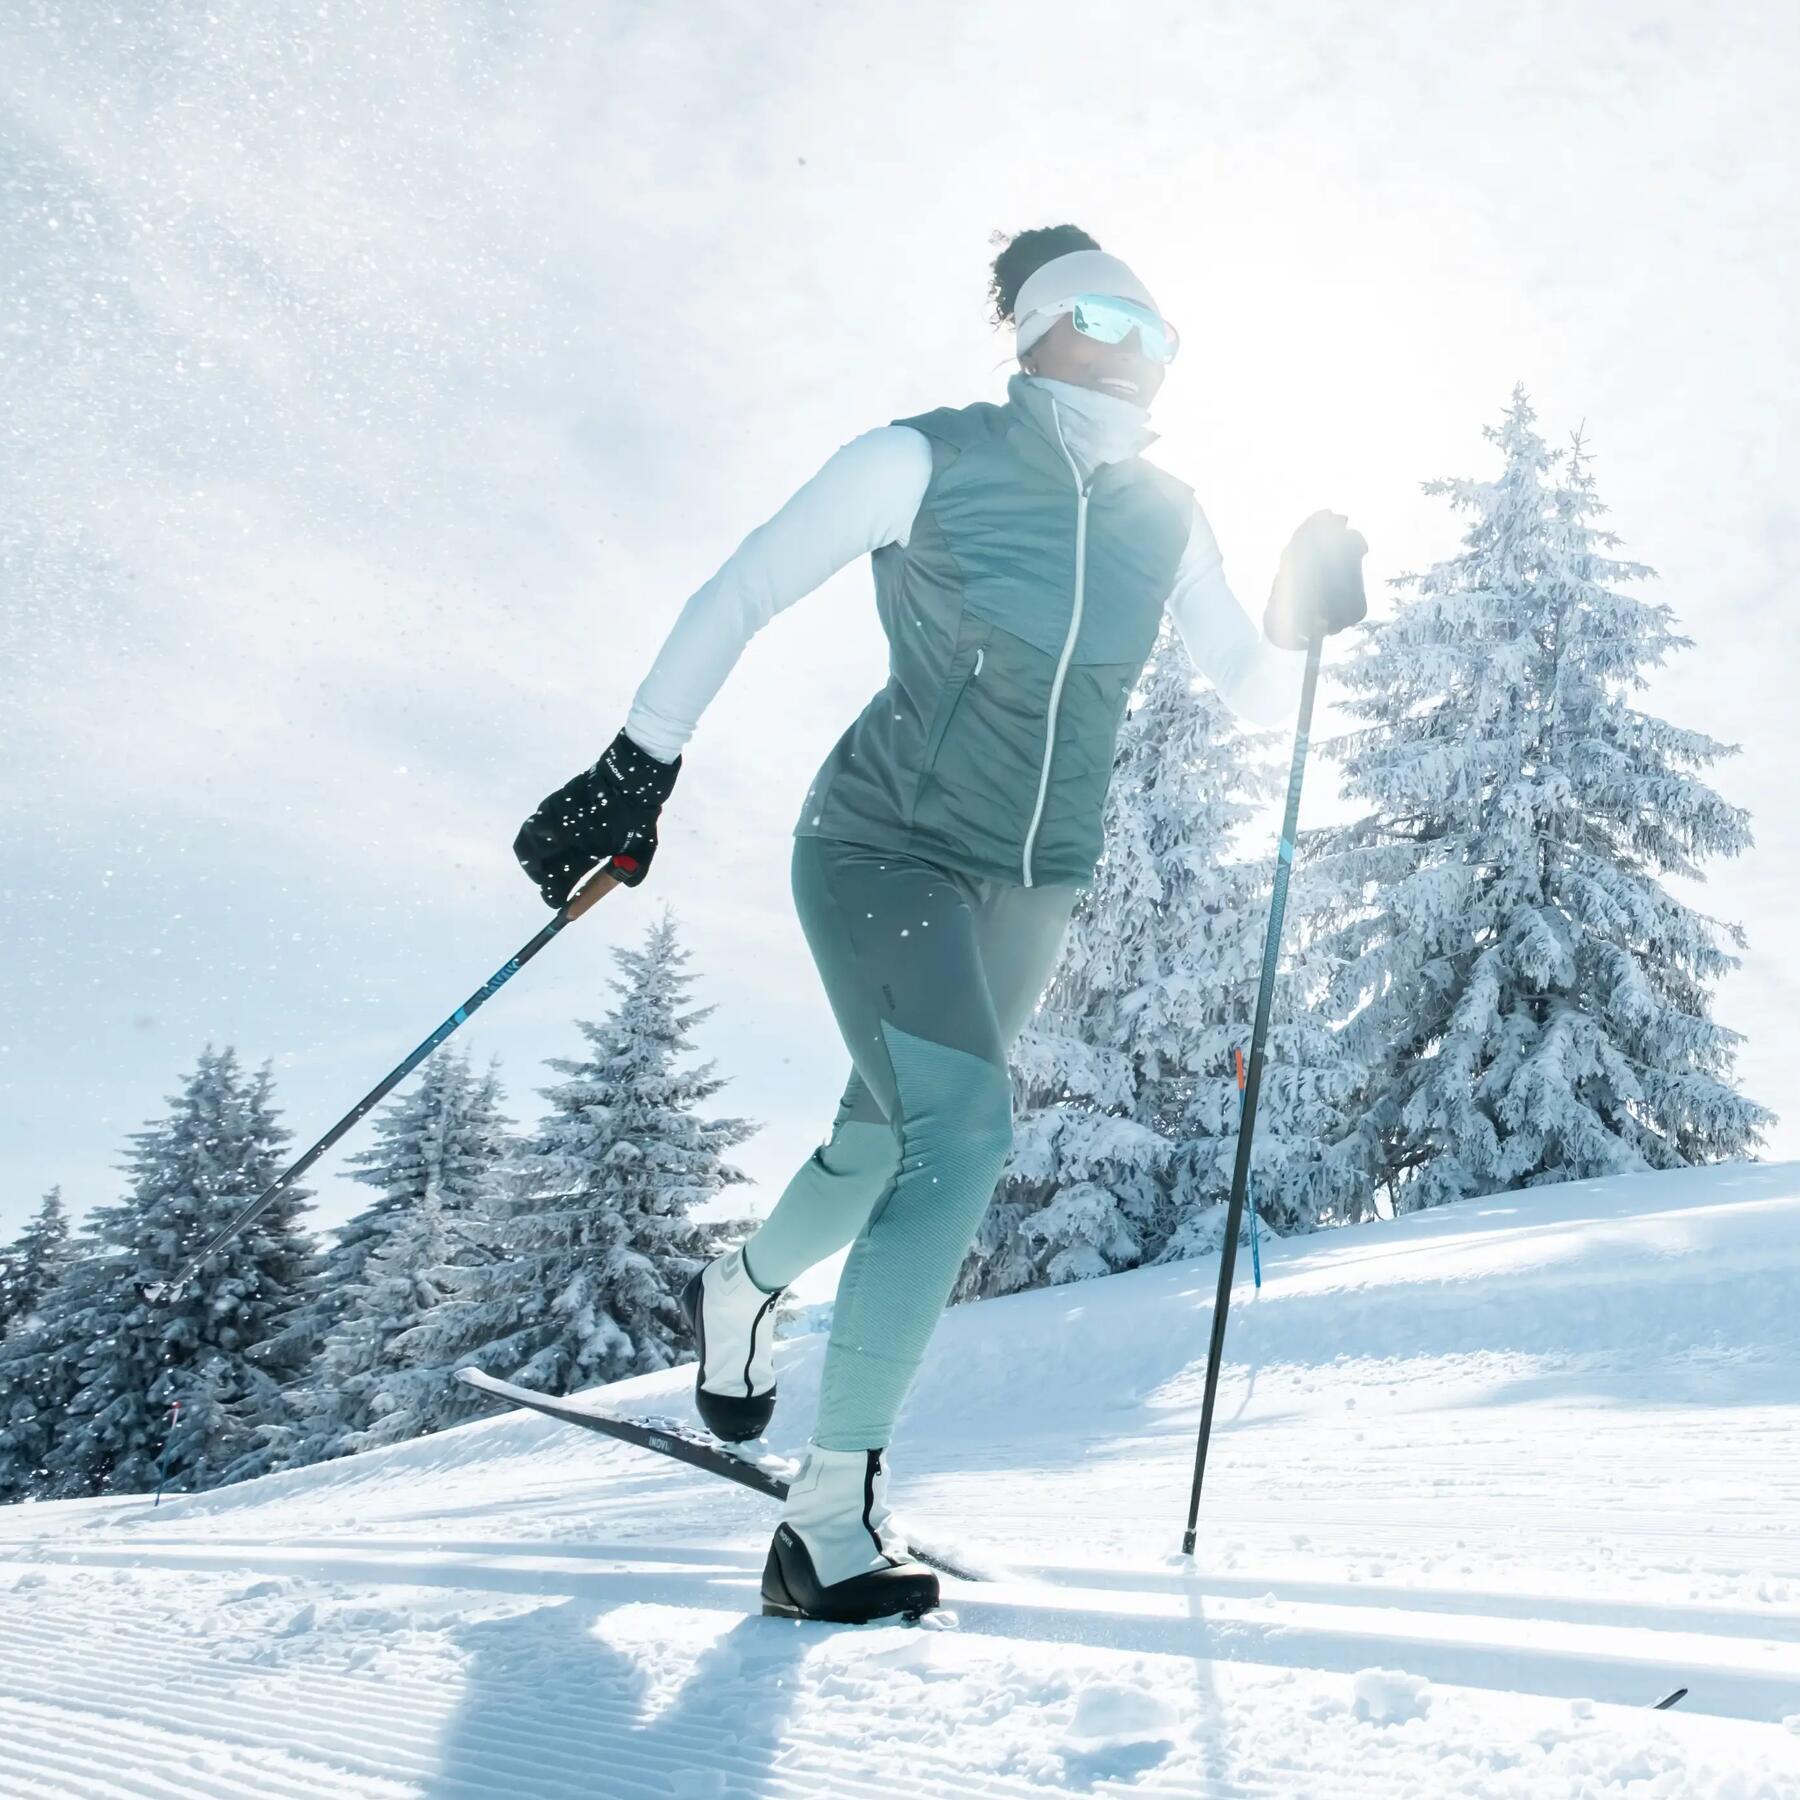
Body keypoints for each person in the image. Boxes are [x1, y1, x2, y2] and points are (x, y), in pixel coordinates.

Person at [513, 224, 1368, 1624]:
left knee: (881, 1138)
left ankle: (741, 1286)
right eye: (1108, 317)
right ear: (1033, 330)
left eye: (1165, 333)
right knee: (963, 1134)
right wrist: (637, 762)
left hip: (1034, 877)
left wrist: (1305, 612)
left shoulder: (1171, 515)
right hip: (882, 846)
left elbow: (1257, 691)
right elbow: (744, 586)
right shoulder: (927, 458)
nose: (1141, 353)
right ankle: (829, 1512)